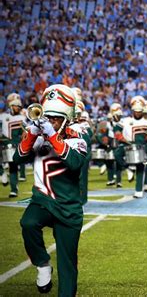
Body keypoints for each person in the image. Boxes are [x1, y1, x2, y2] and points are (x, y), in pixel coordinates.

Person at [14, 84, 87, 296]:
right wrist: (31, 135)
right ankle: (42, 264)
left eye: (56, 118)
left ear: (66, 119)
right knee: (28, 222)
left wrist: (53, 136)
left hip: (68, 209)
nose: (51, 121)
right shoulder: (37, 138)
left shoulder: (77, 139)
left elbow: (74, 163)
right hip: (43, 202)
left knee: (67, 263)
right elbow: (17, 159)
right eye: (49, 117)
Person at [114, 96, 147, 198]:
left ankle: (138, 190)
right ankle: (128, 168)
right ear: (132, 110)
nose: (137, 113)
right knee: (117, 154)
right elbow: (116, 128)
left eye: (139, 111)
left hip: (141, 146)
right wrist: (118, 135)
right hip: (127, 144)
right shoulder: (126, 120)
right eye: (136, 111)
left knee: (140, 166)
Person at [0, 93, 26, 197]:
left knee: (13, 166)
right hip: (2, 142)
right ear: (11, 106)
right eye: (15, 106)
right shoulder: (3, 116)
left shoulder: (21, 118)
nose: (17, 108)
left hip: (14, 144)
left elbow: (24, 132)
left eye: (19, 106)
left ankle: (14, 189)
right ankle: (2, 173)